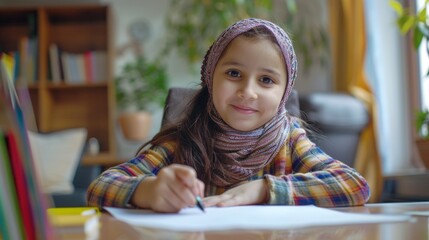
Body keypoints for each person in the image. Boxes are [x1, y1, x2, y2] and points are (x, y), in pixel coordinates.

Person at [87, 18, 370, 213]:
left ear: (284, 93)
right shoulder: (183, 141)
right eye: (234, 74)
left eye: (266, 80)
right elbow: (100, 187)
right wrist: (149, 191)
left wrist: (262, 190)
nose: (248, 91)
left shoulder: (290, 140)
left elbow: (354, 185)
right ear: (211, 78)